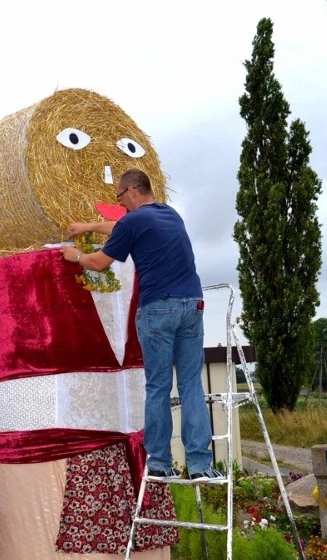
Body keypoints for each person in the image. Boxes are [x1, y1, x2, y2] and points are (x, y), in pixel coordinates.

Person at [59, 168, 221, 482]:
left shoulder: (134, 221)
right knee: (191, 385)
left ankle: (160, 461)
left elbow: (100, 262)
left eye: (120, 197)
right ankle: (201, 466)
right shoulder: (170, 215)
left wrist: (75, 255)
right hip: (193, 304)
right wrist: (90, 225)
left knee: (158, 386)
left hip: (159, 307)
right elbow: (121, 225)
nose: (120, 203)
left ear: (132, 191)